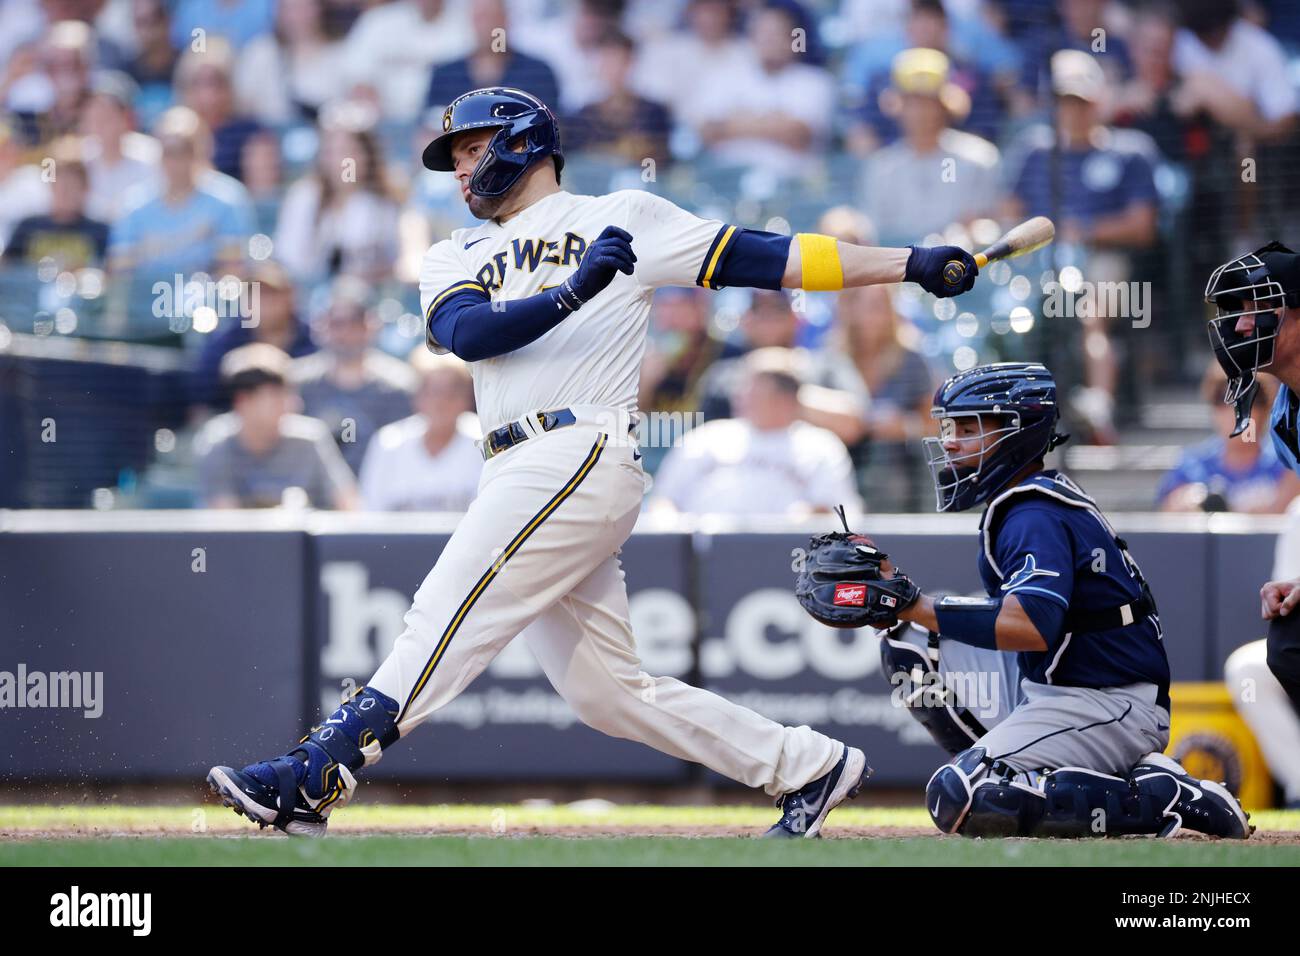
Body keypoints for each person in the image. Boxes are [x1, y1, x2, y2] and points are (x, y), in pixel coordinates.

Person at [205, 85, 977, 839]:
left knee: (442, 611)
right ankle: (807, 765)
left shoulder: (623, 216)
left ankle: (319, 770)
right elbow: (470, 335)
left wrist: (908, 262)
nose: (462, 169)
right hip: (513, 461)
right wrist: (574, 291)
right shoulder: (452, 252)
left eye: (472, 149)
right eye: (455, 157)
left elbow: (772, 257)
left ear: (522, 143)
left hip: (578, 447)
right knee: (607, 693)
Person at [816, 362, 1250, 838]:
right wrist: (899, 603)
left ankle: (1165, 797)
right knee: (909, 639)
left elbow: (1031, 626)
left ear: (1016, 432)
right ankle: (1023, 770)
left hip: (1108, 702)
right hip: (1057, 685)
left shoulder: (1032, 513)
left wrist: (915, 603)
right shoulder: (1027, 498)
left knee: (959, 797)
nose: (951, 443)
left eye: (969, 428)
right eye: (950, 428)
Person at [1203, 241, 1300, 714]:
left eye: (1258, 308)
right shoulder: (1284, 415)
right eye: (1237, 310)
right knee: (1289, 645)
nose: (1242, 324)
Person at [650, 348, 862, 517]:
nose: (741, 394)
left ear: (785, 398)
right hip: (703, 552)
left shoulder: (820, 446)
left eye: (754, 388)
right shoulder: (706, 438)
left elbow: (834, 514)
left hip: (785, 552)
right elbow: (663, 501)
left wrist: (795, 522)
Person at [194, 343, 359, 510]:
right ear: (243, 401)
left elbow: (349, 506)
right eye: (277, 397)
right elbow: (225, 518)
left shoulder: (311, 438)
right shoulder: (216, 444)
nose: (293, 404)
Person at [291, 277, 418, 473]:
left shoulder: (401, 386)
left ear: (371, 325)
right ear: (321, 325)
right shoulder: (297, 383)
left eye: (355, 322)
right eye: (337, 323)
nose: (346, 332)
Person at [1157, 364, 1299, 513]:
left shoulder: (1288, 462)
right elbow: (1168, 510)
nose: (1235, 410)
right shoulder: (1192, 465)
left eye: (1247, 399)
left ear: (1265, 409)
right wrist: (1190, 502)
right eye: (1222, 398)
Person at [358, 348, 483, 512]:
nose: (441, 402)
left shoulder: (484, 441)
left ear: (467, 397)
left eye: (452, 393)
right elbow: (370, 510)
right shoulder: (388, 443)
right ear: (418, 396)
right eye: (433, 392)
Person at [1, 139, 108, 271]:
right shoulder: (27, 227)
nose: (65, 192)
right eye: (60, 185)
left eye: (72, 186)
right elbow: (7, 267)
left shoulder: (99, 231)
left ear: (85, 189)